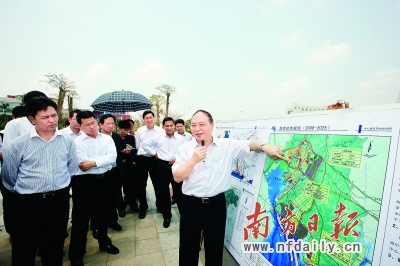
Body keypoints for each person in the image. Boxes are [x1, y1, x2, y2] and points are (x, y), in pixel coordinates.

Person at [172, 110, 288, 266]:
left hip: (216, 204)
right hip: (191, 204)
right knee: (188, 248)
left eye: (202, 124)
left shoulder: (226, 145)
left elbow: (250, 145)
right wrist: (193, 160)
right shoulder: (185, 149)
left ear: (212, 125)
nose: (197, 129)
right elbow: (177, 177)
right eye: (193, 125)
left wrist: (265, 146)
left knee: (215, 247)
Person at [2, 96, 78, 265]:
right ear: (32, 119)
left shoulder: (67, 141)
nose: (51, 120)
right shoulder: (19, 144)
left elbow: (72, 169)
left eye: (54, 115)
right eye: (45, 117)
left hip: (58, 201)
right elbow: (8, 177)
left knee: (54, 246)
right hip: (28, 203)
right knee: (24, 248)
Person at [68, 111, 119, 266]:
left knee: (103, 214)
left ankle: (104, 242)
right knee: (81, 219)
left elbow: (112, 158)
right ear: (80, 125)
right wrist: (100, 161)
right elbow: (83, 164)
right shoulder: (77, 142)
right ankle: (77, 254)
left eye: (93, 123)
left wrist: (94, 163)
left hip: (104, 180)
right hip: (84, 183)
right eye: (86, 124)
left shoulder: (107, 139)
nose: (91, 127)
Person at [1, 90, 47, 244]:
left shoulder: (47, 124)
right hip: (21, 182)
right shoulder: (15, 124)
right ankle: (15, 233)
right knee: (17, 214)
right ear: (26, 105)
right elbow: (8, 156)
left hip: (44, 183)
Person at [141, 117, 185, 228]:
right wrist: (154, 153)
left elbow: (185, 151)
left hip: (176, 166)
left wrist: (177, 157)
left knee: (179, 192)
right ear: (163, 126)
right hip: (161, 166)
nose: (169, 128)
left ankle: (184, 215)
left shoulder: (181, 138)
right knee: (163, 192)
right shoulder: (158, 137)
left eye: (171, 125)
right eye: (167, 125)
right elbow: (144, 144)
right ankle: (167, 216)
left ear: (174, 126)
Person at [135, 110, 164, 219]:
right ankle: (143, 207)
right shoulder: (140, 131)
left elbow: (161, 144)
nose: (149, 120)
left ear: (154, 118)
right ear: (144, 120)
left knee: (157, 184)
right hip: (142, 159)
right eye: (146, 118)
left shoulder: (160, 131)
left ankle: (160, 205)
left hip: (155, 159)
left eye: (150, 117)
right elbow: (138, 146)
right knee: (141, 185)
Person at [117, 120, 139, 214]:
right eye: (122, 129)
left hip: (128, 166)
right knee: (118, 188)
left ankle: (133, 204)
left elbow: (133, 149)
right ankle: (121, 208)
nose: (123, 131)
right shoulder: (115, 138)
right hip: (118, 166)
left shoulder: (131, 138)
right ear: (118, 128)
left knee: (130, 187)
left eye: (126, 129)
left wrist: (129, 151)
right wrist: (122, 152)